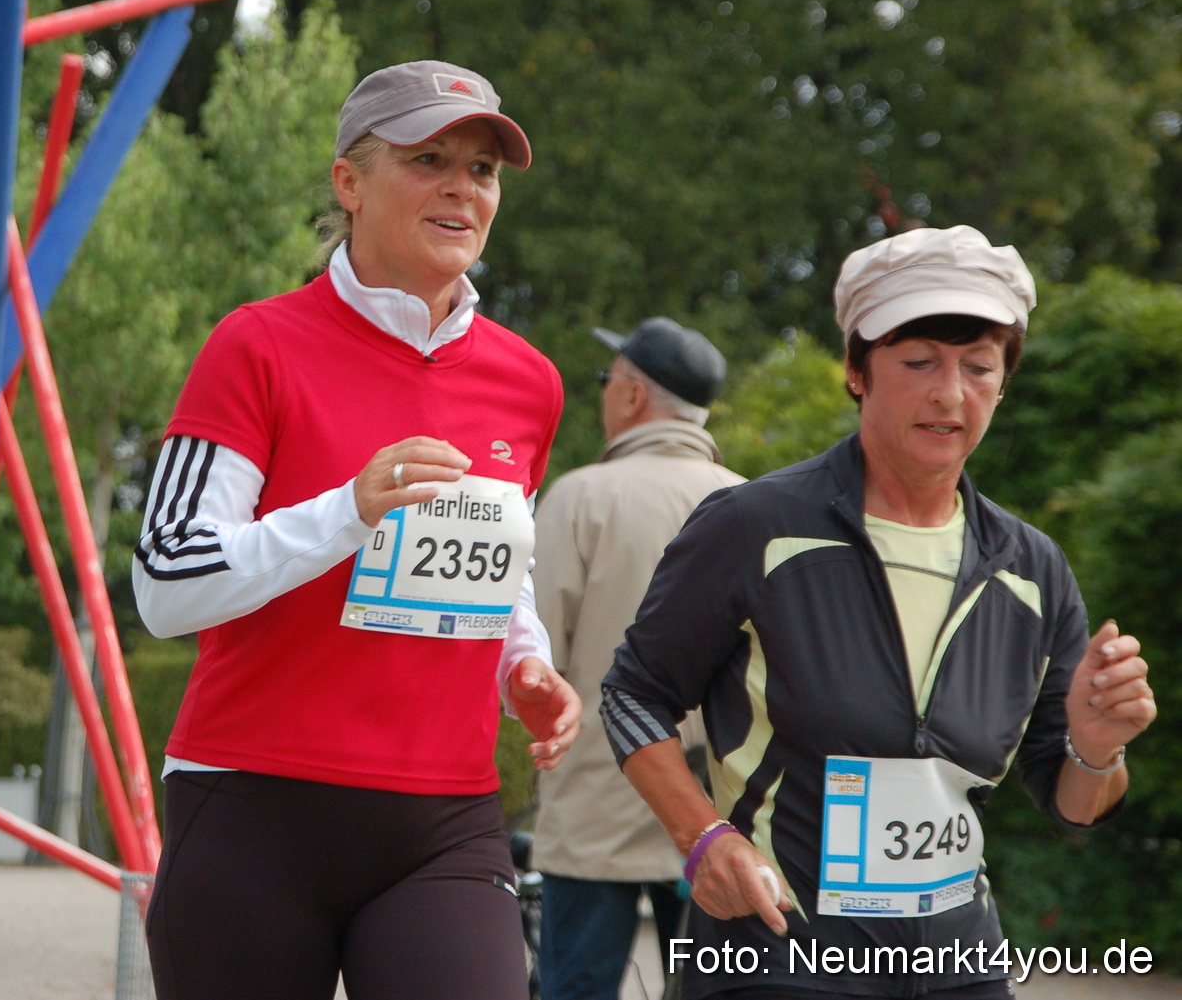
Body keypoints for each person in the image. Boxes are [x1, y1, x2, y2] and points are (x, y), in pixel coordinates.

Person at [603, 225, 1158, 999]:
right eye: (919, 361)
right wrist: (703, 837)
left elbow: (1071, 805)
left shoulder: (1033, 570)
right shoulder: (753, 525)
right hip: (775, 951)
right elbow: (633, 694)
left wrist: (1097, 749)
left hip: (958, 963)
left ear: (1004, 383)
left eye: (978, 366)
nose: (949, 392)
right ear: (858, 372)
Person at [134, 60, 583, 1000]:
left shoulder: (530, 380)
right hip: (251, 800)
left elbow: (500, 568)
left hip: (444, 817)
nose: (463, 186)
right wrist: (349, 508)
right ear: (349, 181)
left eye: (483, 169)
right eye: (429, 159)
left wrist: (523, 666)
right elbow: (166, 583)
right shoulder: (254, 344)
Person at [531, 318, 743, 1000]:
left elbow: (537, 656)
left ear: (629, 396)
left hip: (595, 805)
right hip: (719, 813)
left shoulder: (579, 497)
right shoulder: (753, 504)